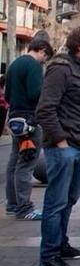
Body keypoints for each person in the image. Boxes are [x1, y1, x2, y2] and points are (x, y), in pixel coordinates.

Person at [35, 26, 80, 266]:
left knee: (68, 201)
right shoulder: (60, 69)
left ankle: (60, 245)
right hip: (62, 149)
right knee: (56, 203)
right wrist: (61, 142)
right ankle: (49, 257)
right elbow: (45, 109)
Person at [4, 39, 54, 220]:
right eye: (45, 57)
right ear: (42, 51)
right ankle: (25, 208)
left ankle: (12, 203)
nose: (43, 61)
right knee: (26, 164)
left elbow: (7, 94)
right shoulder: (33, 66)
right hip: (30, 120)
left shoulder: (15, 64)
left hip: (15, 118)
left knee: (14, 162)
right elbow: (36, 93)